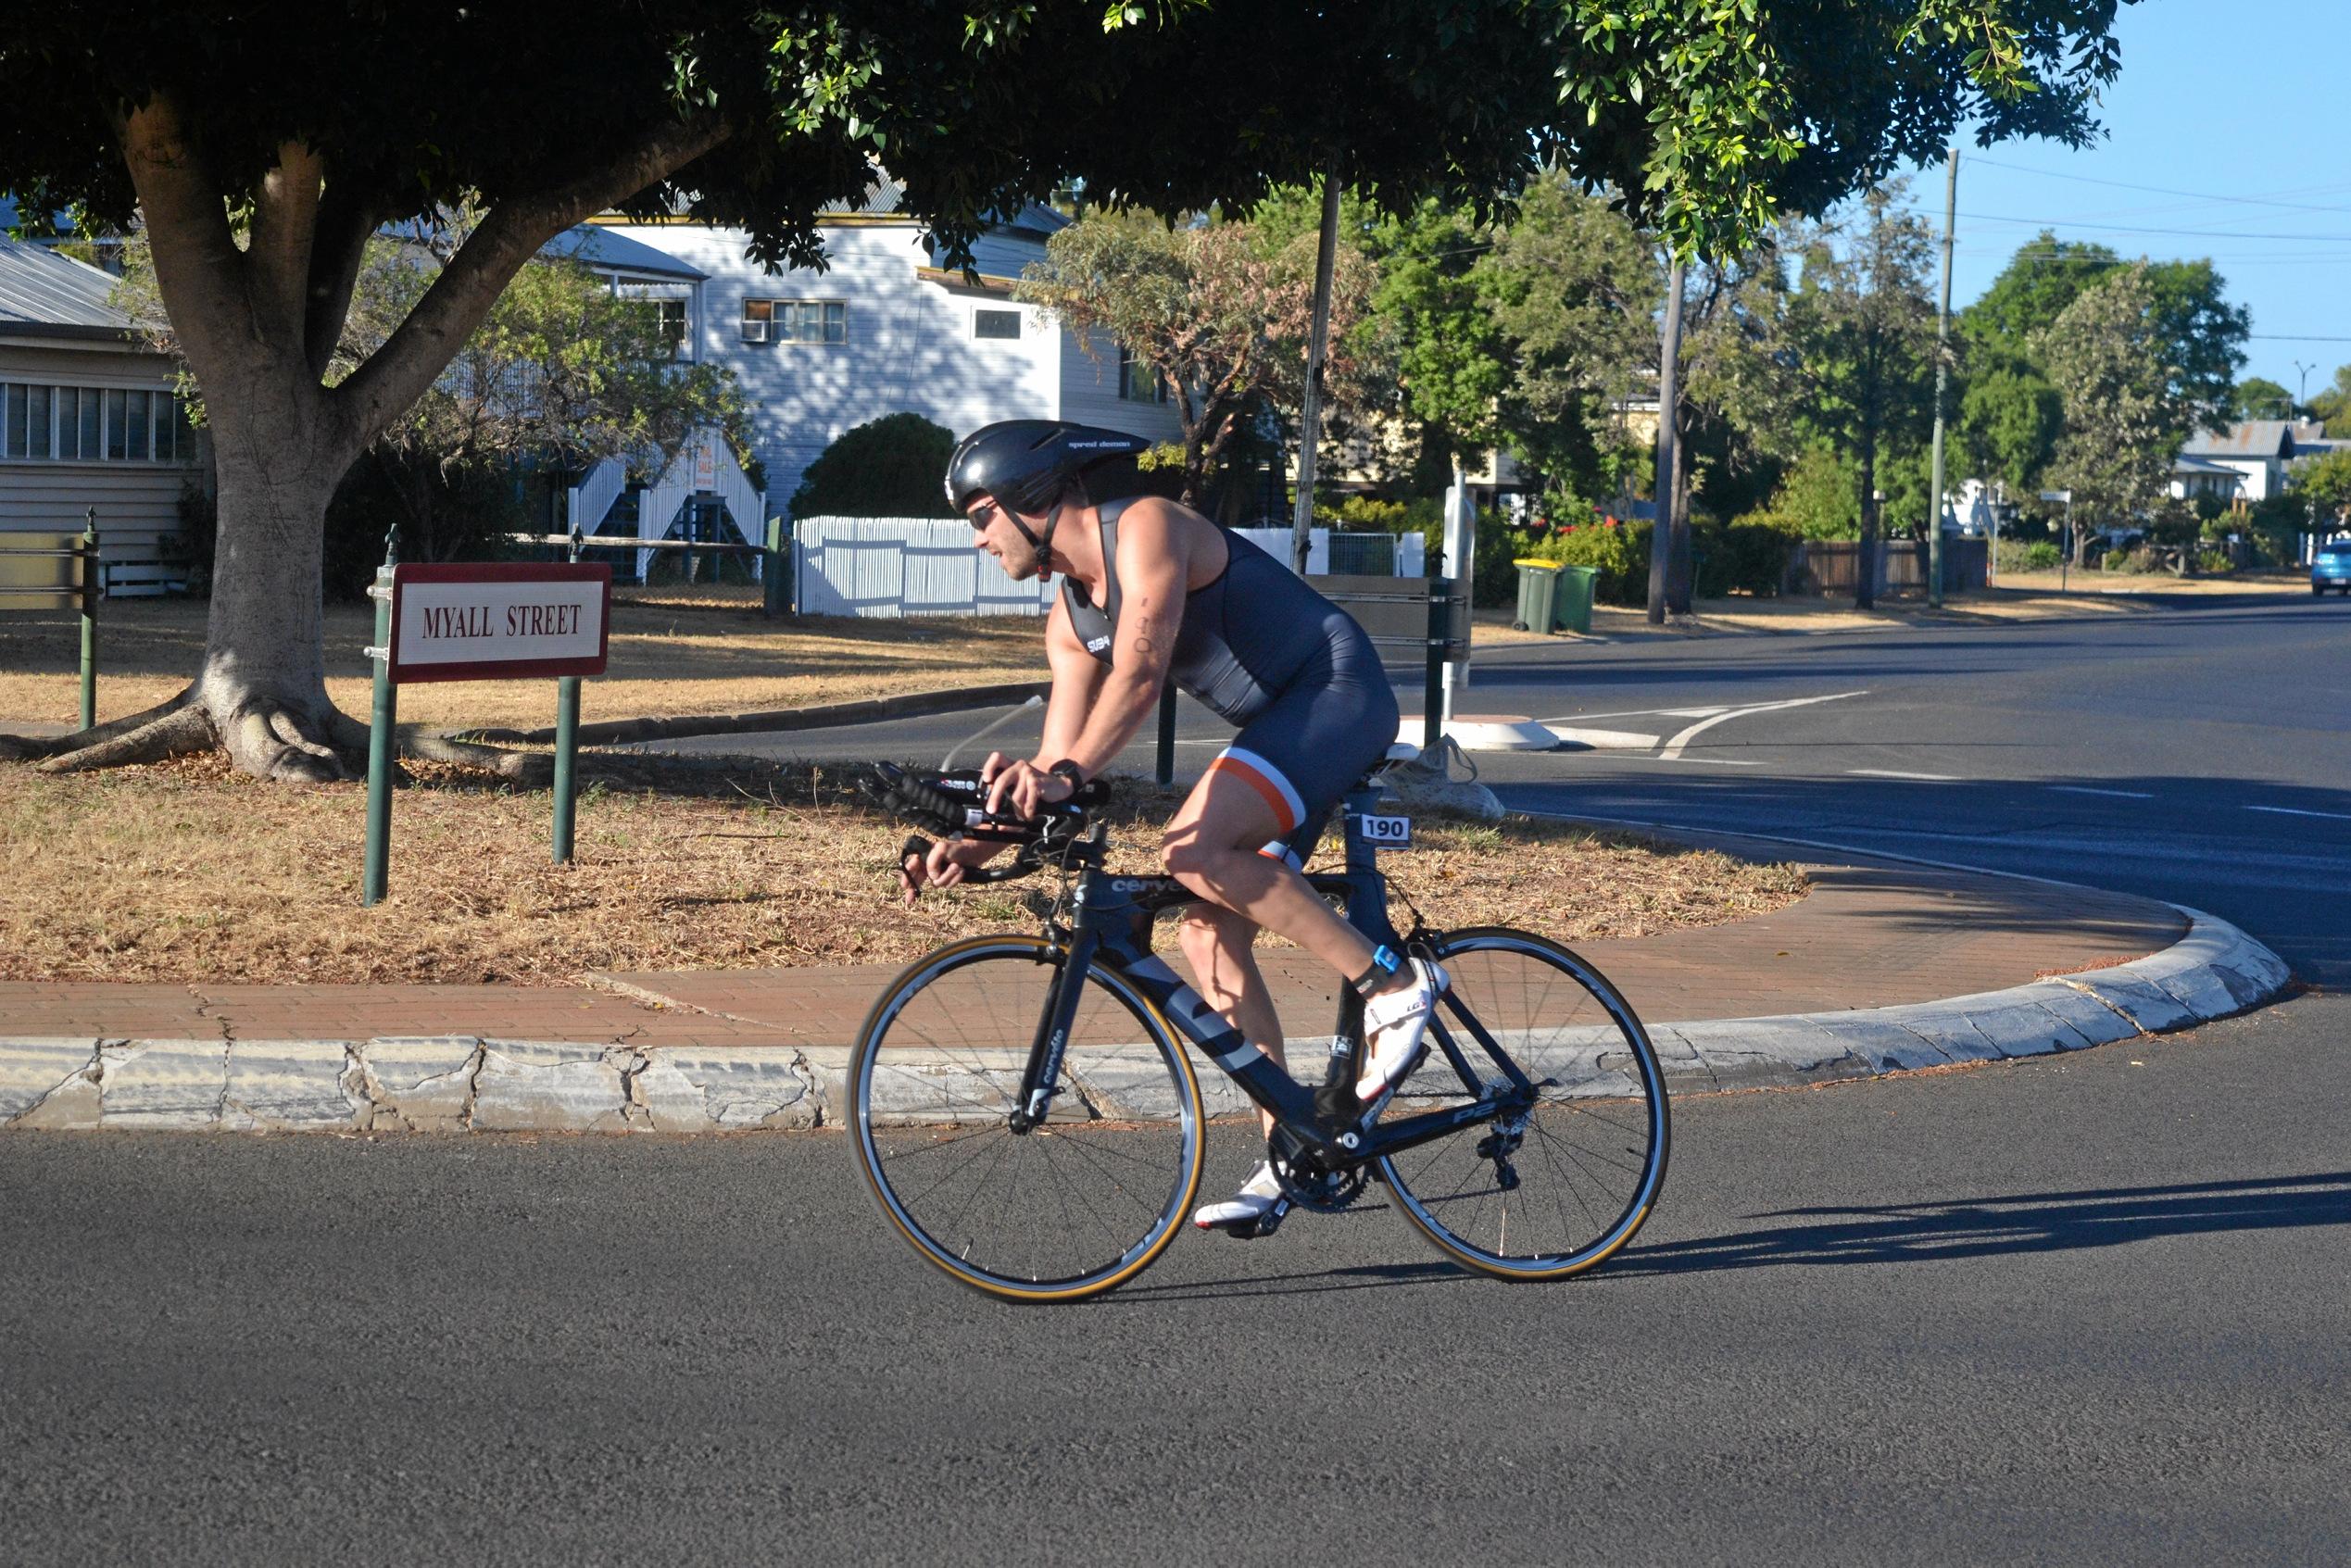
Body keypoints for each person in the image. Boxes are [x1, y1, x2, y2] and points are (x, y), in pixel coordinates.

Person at [899, 419, 1447, 1233]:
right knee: (1207, 938)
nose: (978, 538)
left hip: (1337, 691)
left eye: (980, 515)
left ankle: (1394, 984)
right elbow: (1062, 759)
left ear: (1033, 499)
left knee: (1191, 847)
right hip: (1280, 727)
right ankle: (1294, 1150)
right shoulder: (1070, 619)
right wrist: (973, 841)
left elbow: (1143, 671)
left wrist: (1062, 773)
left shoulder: (1147, 526)